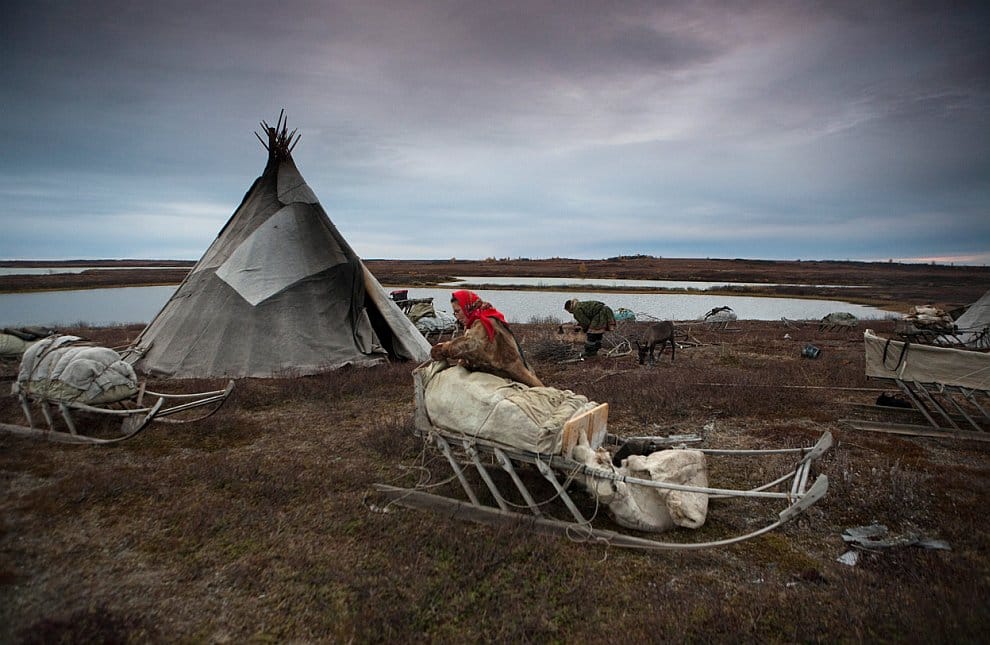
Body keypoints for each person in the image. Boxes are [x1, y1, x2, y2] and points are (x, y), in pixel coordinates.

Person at [430, 290, 544, 388]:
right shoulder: (480, 317)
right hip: (503, 369)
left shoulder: (483, 322)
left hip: (509, 372)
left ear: (467, 307)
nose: (457, 317)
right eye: (454, 313)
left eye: (458, 311)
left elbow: (472, 345)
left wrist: (445, 348)